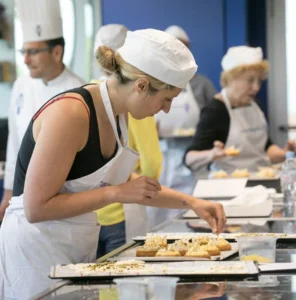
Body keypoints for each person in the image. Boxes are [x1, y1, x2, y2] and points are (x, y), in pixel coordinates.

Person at [0, 28, 226, 299]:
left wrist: (192, 203)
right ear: (141, 86)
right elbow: (36, 207)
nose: (166, 109)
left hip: (72, 246)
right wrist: (115, 194)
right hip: (34, 254)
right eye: (166, 99)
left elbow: (126, 183)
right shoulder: (71, 114)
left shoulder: (118, 114)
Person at [0, 0, 85, 221]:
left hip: (63, 204)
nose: (26, 60)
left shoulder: (79, 91)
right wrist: (8, 192)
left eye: (33, 52)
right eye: (23, 51)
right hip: (20, 198)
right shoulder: (21, 85)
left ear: (56, 52)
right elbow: (15, 142)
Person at [92, 24, 163, 257]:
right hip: (122, 213)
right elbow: (151, 161)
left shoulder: (92, 93)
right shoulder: (138, 98)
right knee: (119, 289)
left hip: (87, 216)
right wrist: (147, 186)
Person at [185, 46, 296, 174]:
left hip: (262, 181)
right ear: (230, 79)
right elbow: (189, 158)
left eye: (259, 81)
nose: (256, 88)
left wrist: (286, 153)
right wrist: (212, 154)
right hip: (230, 185)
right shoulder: (215, 111)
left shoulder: (254, 104)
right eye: (250, 80)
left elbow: (266, 148)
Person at [153, 25, 217, 226]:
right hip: (163, 154)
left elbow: (215, 119)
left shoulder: (203, 84)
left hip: (193, 155)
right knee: (162, 210)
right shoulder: (154, 83)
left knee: (192, 209)